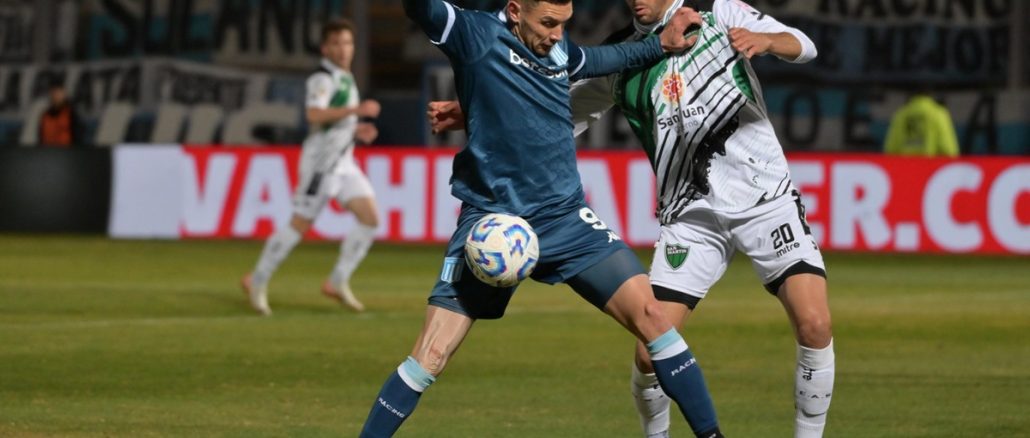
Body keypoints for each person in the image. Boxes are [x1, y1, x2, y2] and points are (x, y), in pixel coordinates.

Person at [429, 1, 836, 437]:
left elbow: (806, 46)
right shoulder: (623, 54)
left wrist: (767, 40)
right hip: (689, 216)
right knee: (650, 354)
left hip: (764, 198)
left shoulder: (717, 12)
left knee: (814, 324)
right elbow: (557, 115)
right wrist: (482, 112)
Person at [361, 1, 726, 437]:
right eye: (548, 24)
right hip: (491, 224)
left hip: (565, 218)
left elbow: (600, 59)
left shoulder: (555, 49)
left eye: (563, 25)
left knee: (652, 316)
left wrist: (661, 46)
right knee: (431, 354)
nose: (557, 35)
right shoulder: (473, 35)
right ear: (515, 10)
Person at [241, 18, 382, 315]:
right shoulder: (322, 79)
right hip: (322, 166)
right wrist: (357, 111)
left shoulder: (345, 76)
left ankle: (337, 281)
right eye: (336, 44)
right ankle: (258, 279)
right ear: (325, 48)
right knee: (299, 225)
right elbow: (315, 115)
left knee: (370, 218)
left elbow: (335, 123)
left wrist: (357, 130)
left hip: (344, 163)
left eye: (347, 43)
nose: (343, 49)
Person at [883, 92, 960, 157]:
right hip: (931, 169)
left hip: (904, 170)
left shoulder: (900, 114)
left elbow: (890, 150)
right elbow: (949, 150)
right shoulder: (939, 114)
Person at [38, 82, 81, 147]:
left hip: (67, 151)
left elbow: (77, 136)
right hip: (48, 151)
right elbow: (41, 136)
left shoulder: (71, 113)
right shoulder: (45, 115)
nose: (56, 96)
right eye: (54, 93)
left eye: (59, 93)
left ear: (64, 94)